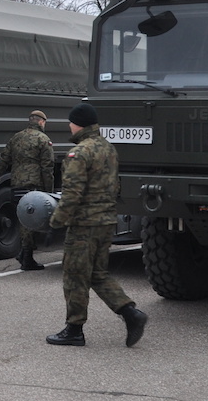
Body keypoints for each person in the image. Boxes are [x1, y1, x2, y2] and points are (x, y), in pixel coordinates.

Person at [46, 102, 148, 347]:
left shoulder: (79, 153)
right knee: (97, 274)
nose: (69, 127)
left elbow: (71, 193)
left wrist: (56, 221)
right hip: (106, 221)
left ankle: (74, 330)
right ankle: (131, 313)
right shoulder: (108, 149)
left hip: (84, 224)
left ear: (77, 123)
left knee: (75, 276)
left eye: (70, 123)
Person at [0, 110, 54, 271]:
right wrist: (49, 191)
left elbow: (3, 159)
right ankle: (26, 257)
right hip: (34, 185)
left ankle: (25, 255)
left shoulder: (16, 137)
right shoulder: (43, 139)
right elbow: (47, 168)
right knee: (32, 220)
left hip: (16, 183)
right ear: (41, 122)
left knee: (23, 219)